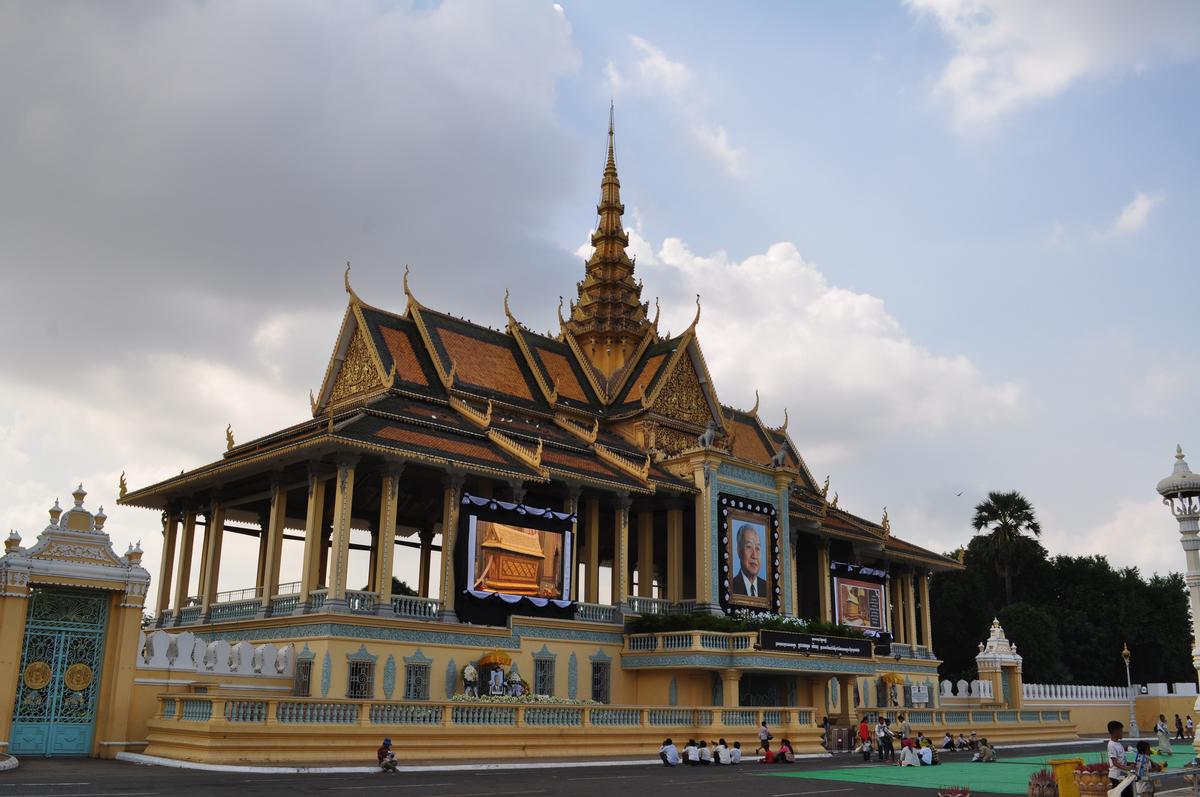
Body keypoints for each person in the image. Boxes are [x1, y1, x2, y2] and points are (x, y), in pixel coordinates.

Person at [730, 524, 768, 597]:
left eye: (757, 548)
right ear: (739, 551)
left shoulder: (768, 589)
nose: (754, 555)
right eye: (749, 547)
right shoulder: (730, 586)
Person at [1109, 720, 1133, 796]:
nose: (1122, 733)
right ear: (1115, 732)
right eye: (1121, 731)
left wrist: (1130, 763)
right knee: (1121, 794)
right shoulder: (1111, 745)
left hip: (1123, 774)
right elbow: (1115, 762)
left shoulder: (1118, 744)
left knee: (1129, 793)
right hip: (1116, 776)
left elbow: (1122, 760)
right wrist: (1127, 768)